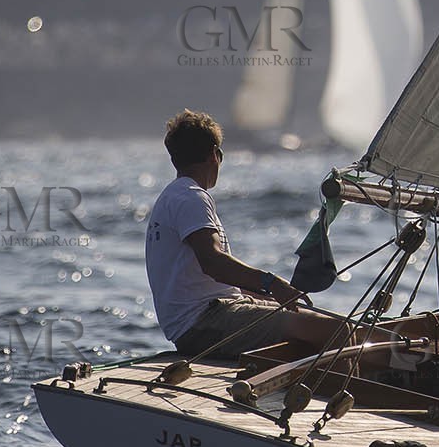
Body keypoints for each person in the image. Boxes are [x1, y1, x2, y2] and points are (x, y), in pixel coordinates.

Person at [146, 109, 341, 358]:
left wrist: (267, 296)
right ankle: (344, 397)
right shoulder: (191, 197)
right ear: (214, 155)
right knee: (336, 330)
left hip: (207, 318)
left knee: (322, 321)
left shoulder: (173, 196)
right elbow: (213, 263)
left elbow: (209, 278)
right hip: (204, 323)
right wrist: (272, 283)